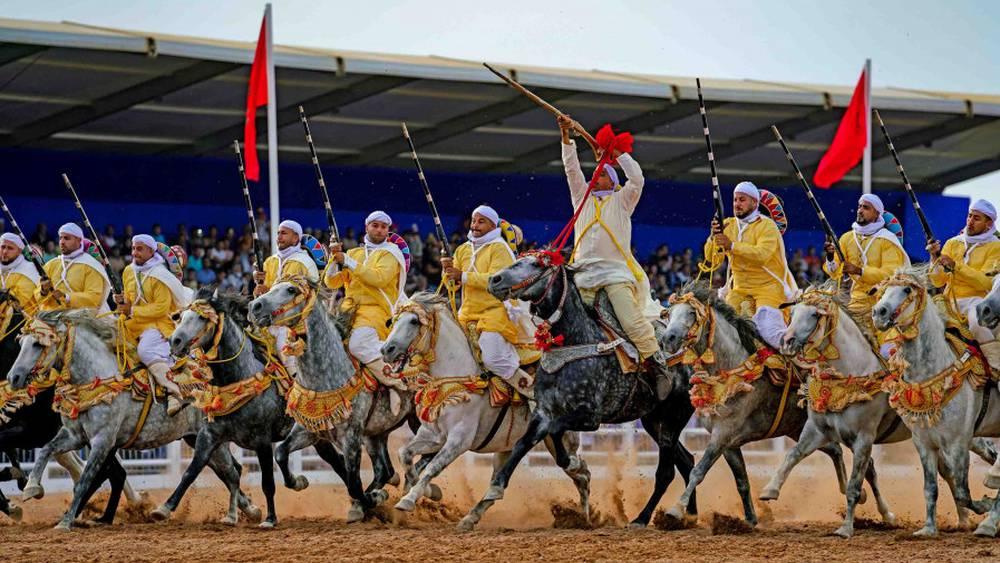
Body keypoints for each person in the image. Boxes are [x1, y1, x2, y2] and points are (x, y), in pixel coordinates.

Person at [557, 115, 672, 398]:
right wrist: (566, 137)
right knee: (558, 317)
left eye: (602, 175)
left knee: (632, 322)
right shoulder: (580, 198)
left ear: (613, 180)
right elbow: (571, 170)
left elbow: (637, 179)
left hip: (614, 274)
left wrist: (617, 154)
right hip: (580, 274)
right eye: (595, 174)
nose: (595, 178)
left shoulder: (623, 200)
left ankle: (657, 366)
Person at [443, 205, 533, 396]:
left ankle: (531, 393)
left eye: (481, 221)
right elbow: (453, 285)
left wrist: (462, 276)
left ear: (493, 226)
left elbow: (496, 281)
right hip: (467, 313)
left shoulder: (499, 248)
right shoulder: (462, 249)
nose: (475, 225)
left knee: (493, 358)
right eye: (473, 220)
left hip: (495, 311)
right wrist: (448, 273)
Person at [705, 181, 798, 349]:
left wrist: (732, 246)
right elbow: (712, 259)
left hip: (768, 289)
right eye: (735, 200)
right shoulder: (728, 225)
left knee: (768, 330)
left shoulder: (767, 226)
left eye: (742, 200)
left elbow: (762, 255)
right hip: (739, 289)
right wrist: (713, 237)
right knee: (722, 327)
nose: (737, 204)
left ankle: (793, 357)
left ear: (754, 203)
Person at [326, 211, 409, 399]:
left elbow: (378, 278)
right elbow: (331, 282)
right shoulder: (354, 253)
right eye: (375, 226)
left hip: (377, 312)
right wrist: (334, 258)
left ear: (388, 230)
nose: (379, 230)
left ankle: (394, 381)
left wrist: (347, 261)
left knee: (357, 345)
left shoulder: (391, 253)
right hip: (347, 313)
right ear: (367, 227)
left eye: (383, 227)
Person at [116, 234, 193, 415]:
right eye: (133, 248)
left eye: (140, 249)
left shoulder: (160, 276)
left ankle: (174, 392)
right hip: (133, 322)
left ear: (151, 251)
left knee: (145, 351)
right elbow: (129, 297)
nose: (135, 253)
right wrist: (121, 301)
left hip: (158, 324)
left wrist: (132, 310)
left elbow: (161, 308)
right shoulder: (128, 271)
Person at [823, 194, 909, 348]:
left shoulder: (887, 239)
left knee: (888, 350)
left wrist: (859, 271)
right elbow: (834, 272)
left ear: (877, 213)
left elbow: (891, 274)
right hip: (856, 303)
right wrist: (830, 257)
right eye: (859, 206)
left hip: (885, 303)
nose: (860, 210)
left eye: (866, 207)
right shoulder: (847, 238)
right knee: (840, 344)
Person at [928, 199, 1000, 367]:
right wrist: (934, 258)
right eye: (969, 216)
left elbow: (986, 284)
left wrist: (956, 266)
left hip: (976, 302)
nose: (970, 221)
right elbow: (937, 281)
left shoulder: (996, 247)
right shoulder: (953, 242)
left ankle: (995, 366)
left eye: (976, 218)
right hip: (947, 302)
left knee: (978, 323)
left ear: (989, 224)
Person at [253, 220, 319, 377]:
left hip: (296, 321)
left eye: (284, 233)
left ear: (295, 238)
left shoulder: (305, 263)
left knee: (283, 337)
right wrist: (258, 290)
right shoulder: (269, 262)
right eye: (278, 233)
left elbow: (313, 295)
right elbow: (263, 295)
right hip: (268, 320)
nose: (279, 237)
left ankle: (294, 379)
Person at [35, 223, 111, 312]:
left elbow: (94, 298)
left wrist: (67, 297)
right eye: (60, 238)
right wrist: (43, 291)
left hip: (81, 316)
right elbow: (37, 298)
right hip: (50, 316)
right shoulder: (51, 264)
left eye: (66, 238)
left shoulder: (91, 265)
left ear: (79, 240)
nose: (62, 242)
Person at [0, 233, 40, 313]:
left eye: (10, 248)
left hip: (24, 318)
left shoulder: (29, 269)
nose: (5, 251)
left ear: (19, 251)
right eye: (3, 247)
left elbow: (16, 301)